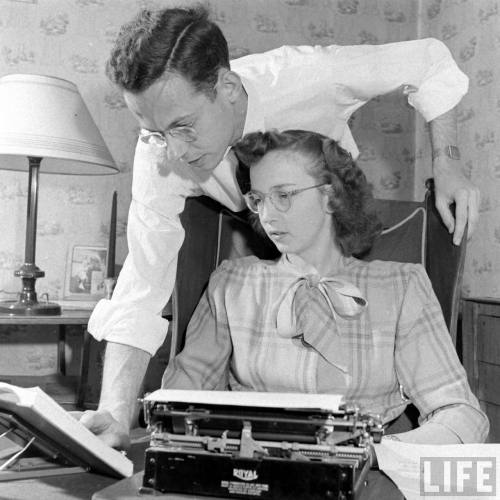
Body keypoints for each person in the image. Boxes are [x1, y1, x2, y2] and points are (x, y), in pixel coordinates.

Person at [83, 6, 480, 448]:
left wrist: (448, 164)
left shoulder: (310, 76)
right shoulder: (167, 165)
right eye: (155, 133)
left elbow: (427, 59)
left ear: (227, 87)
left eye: (183, 127)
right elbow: (143, 280)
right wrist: (116, 415)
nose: (171, 153)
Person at [162, 129, 488, 444]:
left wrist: (380, 455)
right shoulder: (231, 283)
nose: (267, 214)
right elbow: (182, 393)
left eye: (284, 195)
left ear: (330, 195)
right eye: (258, 199)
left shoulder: (400, 286)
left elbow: (460, 413)